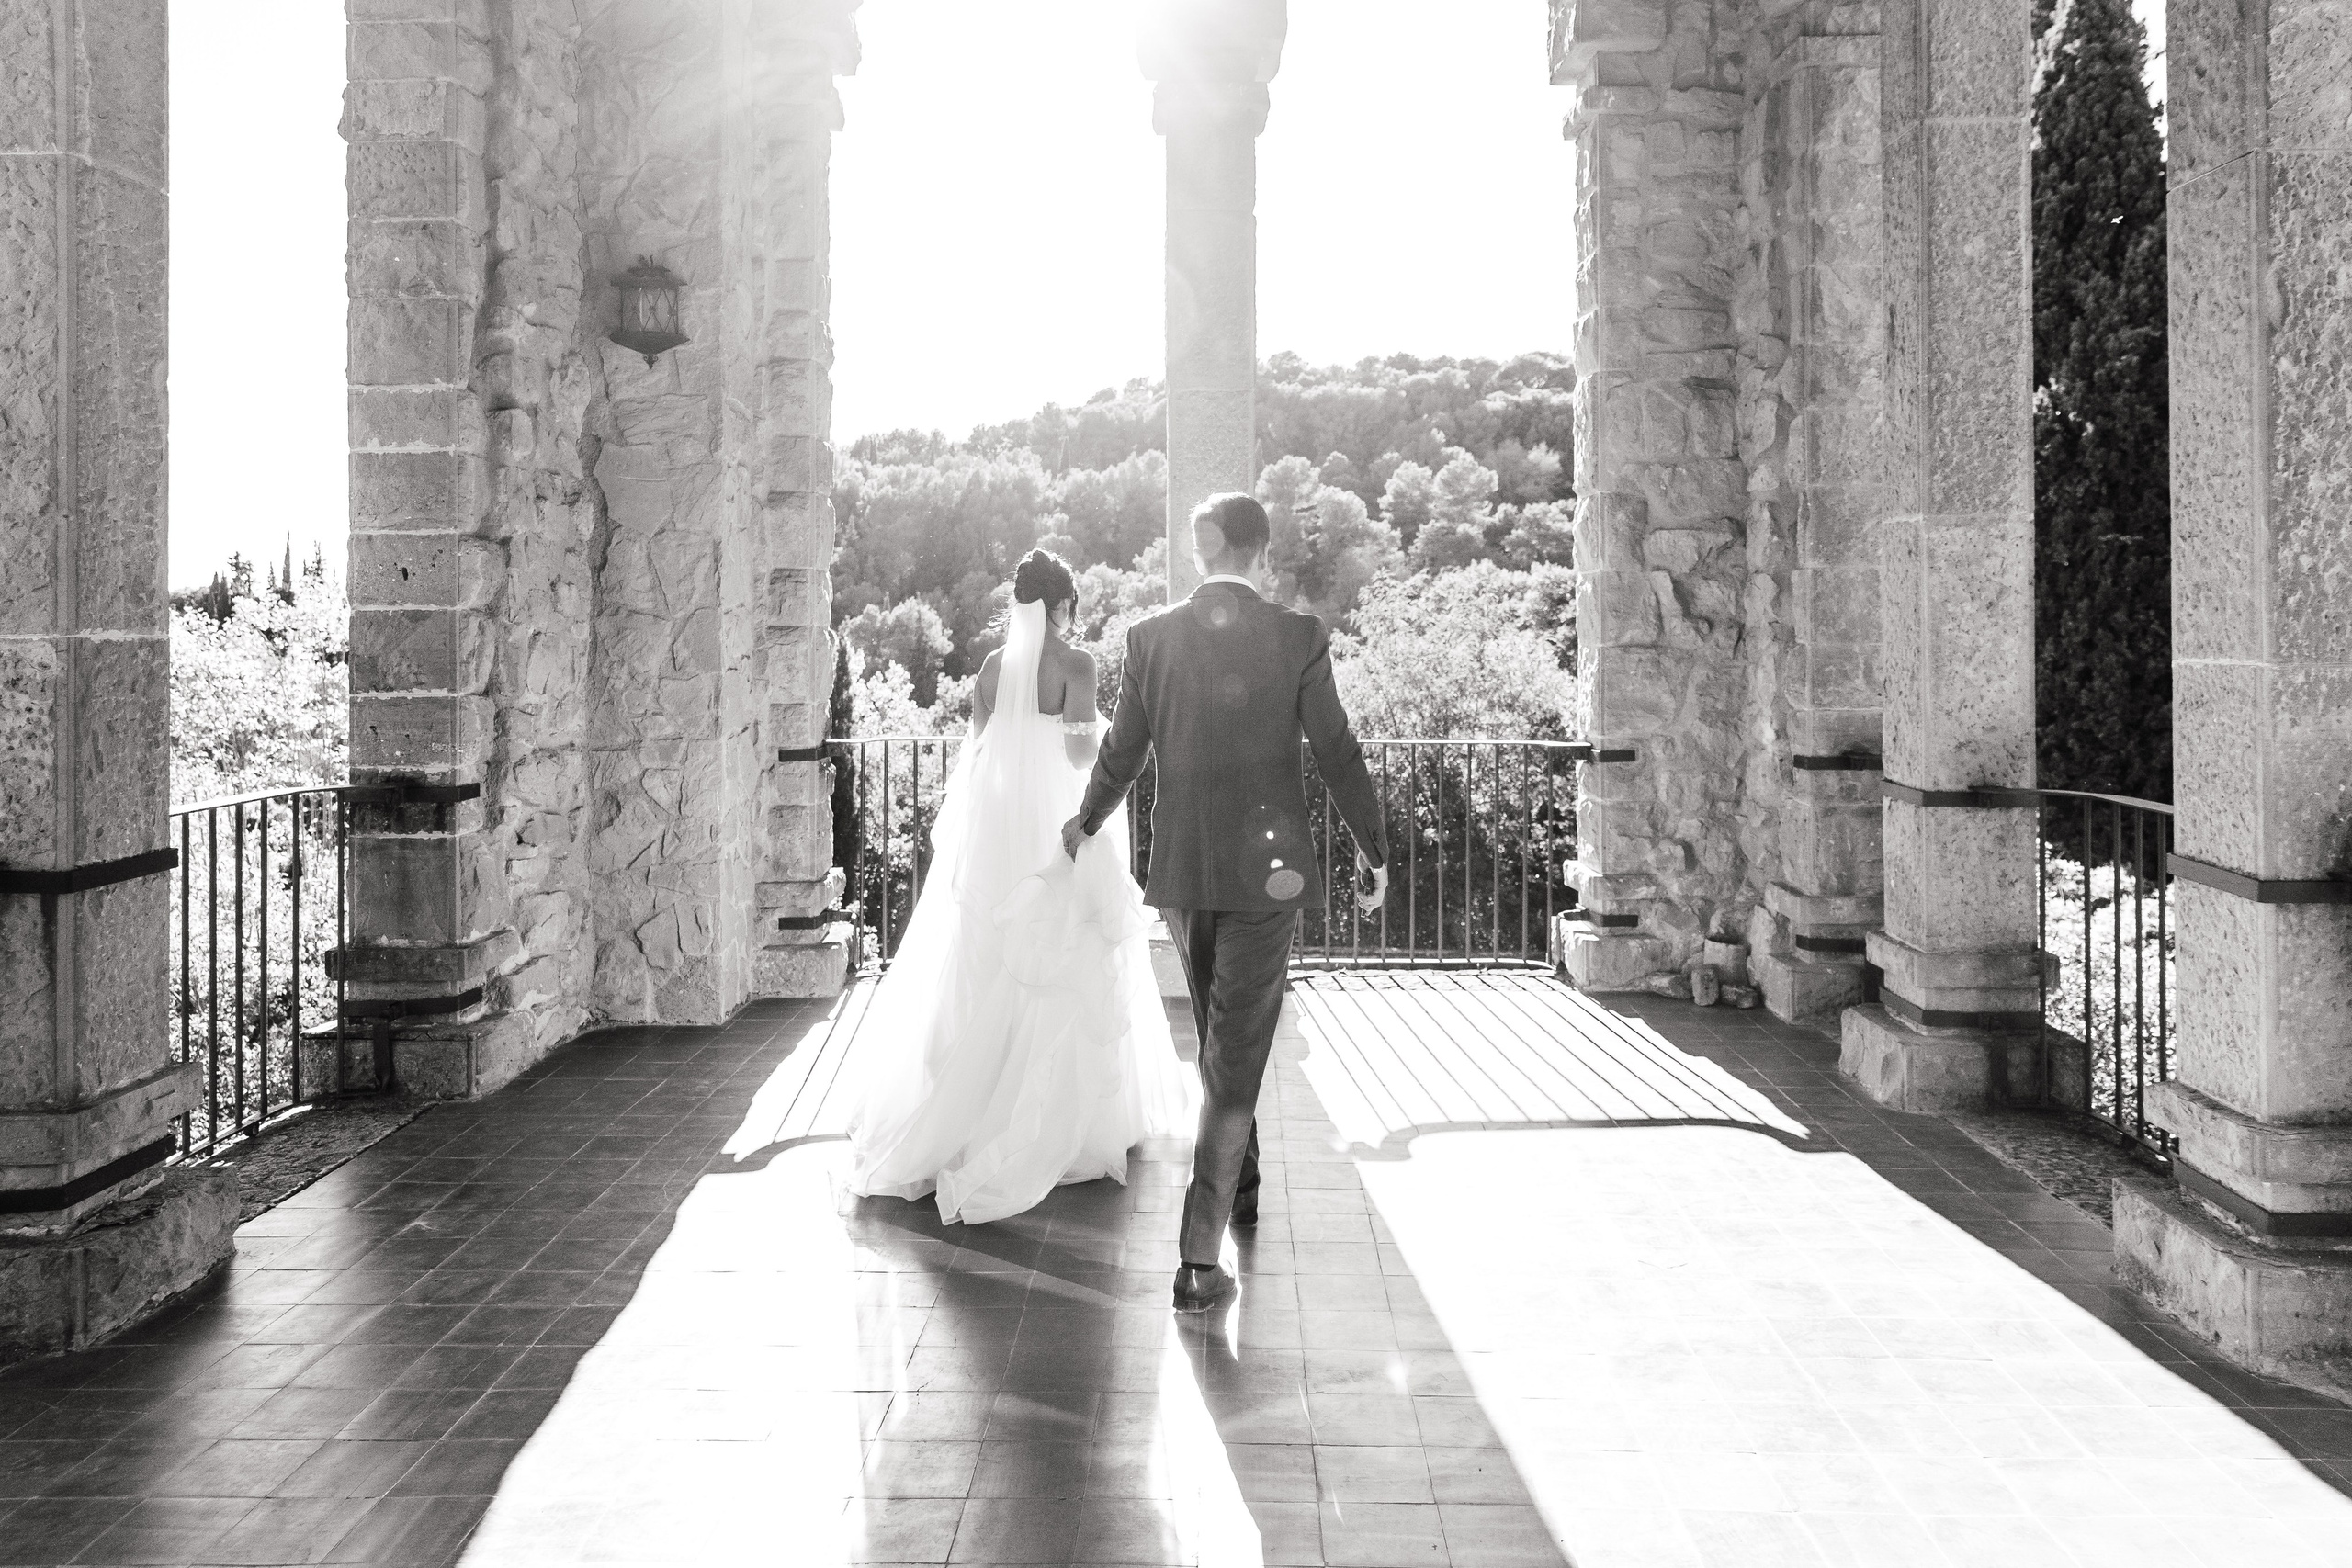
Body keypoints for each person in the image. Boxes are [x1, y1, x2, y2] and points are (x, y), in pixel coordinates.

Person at [1063, 494, 1388, 1314]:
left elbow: (1123, 751)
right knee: (1234, 1051)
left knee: (1224, 1039)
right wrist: (1374, 848)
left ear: (1204, 552)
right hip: (1265, 881)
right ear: (1261, 551)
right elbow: (1338, 750)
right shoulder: (1298, 636)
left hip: (1184, 871)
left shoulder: (1149, 638)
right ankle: (1198, 1261)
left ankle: (1239, 1186)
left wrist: (1085, 820)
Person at [842, 549, 1193, 1224]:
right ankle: (1064, 1127)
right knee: (1063, 951)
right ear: (1064, 604)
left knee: (987, 958)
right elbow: (1084, 755)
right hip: (1059, 822)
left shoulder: (991, 668)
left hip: (998, 830)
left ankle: (971, 1111)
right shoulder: (1077, 665)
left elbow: (979, 752)